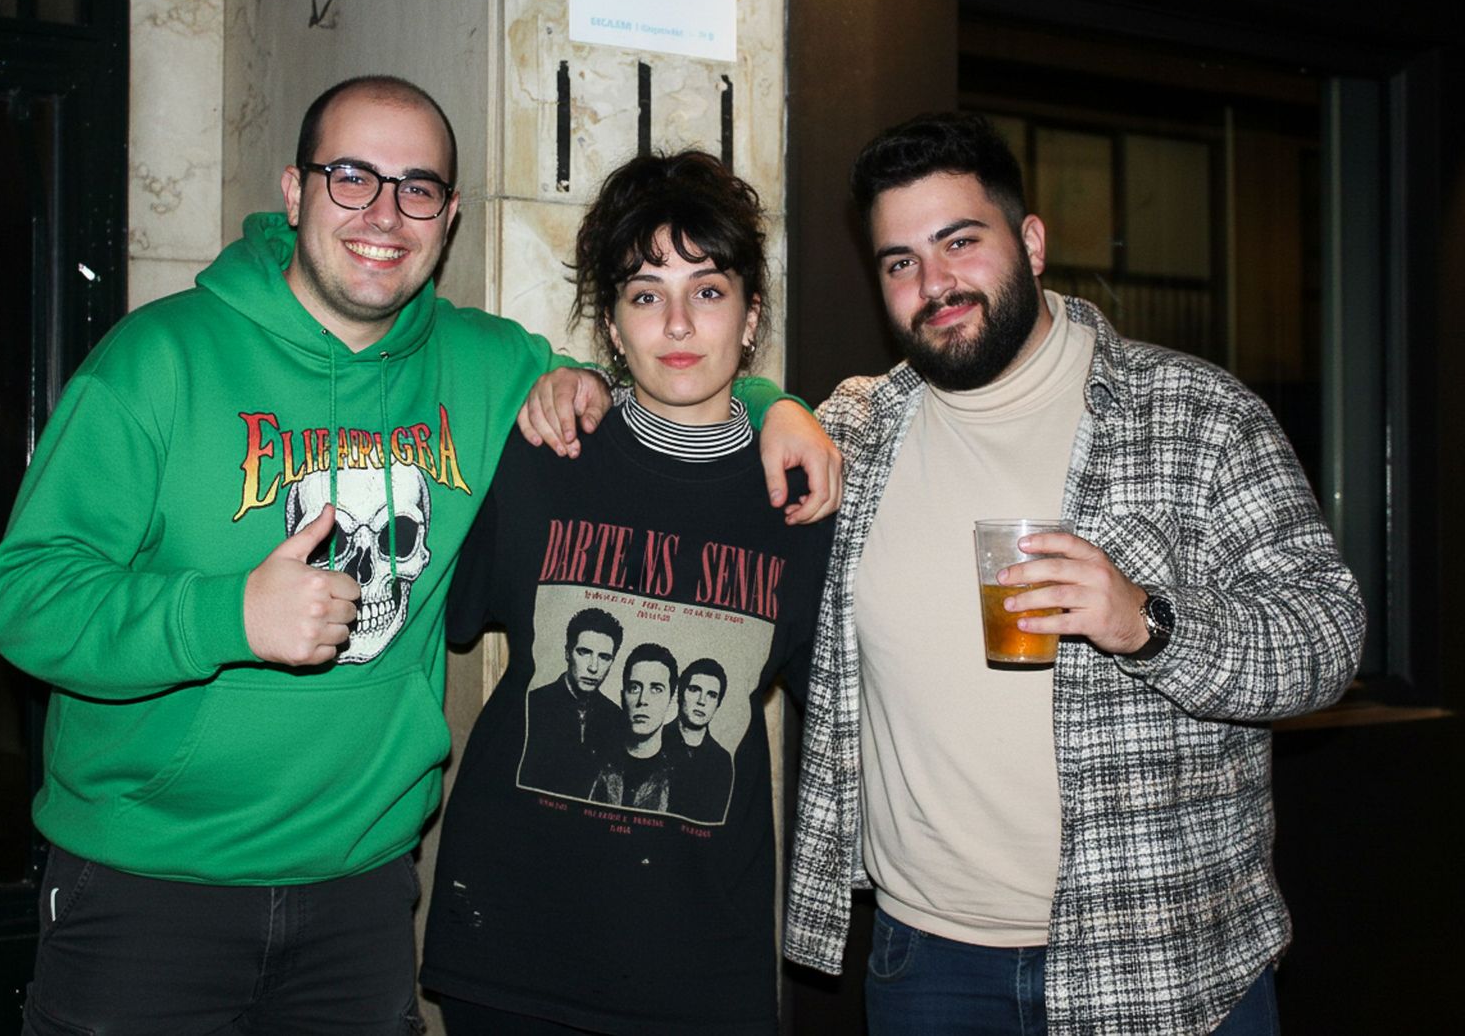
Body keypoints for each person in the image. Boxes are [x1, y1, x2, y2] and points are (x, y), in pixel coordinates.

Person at [0, 75, 837, 1035]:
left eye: (417, 187)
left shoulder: (490, 366)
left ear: (451, 214)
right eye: (351, 177)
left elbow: (660, 375)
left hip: (361, 897)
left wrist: (780, 406)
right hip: (149, 892)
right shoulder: (158, 359)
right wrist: (228, 616)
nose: (384, 213)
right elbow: (24, 598)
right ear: (294, 190)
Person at [783, 113, 1365, 1035]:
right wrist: (737, 398)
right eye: (900, 262)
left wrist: (1149, 624)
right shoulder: (857, 430)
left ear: (1033, 241)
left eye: (960, 242)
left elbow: (1327, 639)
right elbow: (697, 410)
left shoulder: (1195, 415)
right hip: (927, 959)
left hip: (1163, 954)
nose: (934, 284)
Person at [422, 149, 835, 1035]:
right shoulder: (545, 452)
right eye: (646, 294)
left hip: (695, 959)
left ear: (752, 315)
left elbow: (847, 703)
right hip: (512, 943)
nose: (678, 323)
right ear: (611, 326)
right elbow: (444, 615)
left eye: (710, 291)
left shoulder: (801, 500)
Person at [521, 607, 627, 795]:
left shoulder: (616, 717)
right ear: (568, 653)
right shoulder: (532, 705)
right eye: (584, 652)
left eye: (604, 657)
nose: (593, 667)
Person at [589, 643, 680, 810]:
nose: (642, 700)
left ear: (672, 702)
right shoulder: (594, 763)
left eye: (656, 689)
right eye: (635, 687)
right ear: (623, 698)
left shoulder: (680, 777)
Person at [663, 657, 735, 823]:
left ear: (718, 704)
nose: (702, 701)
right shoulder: (654, 740)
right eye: (695, 690)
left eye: (711, 695)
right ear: (680, 693)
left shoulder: (721, 760)